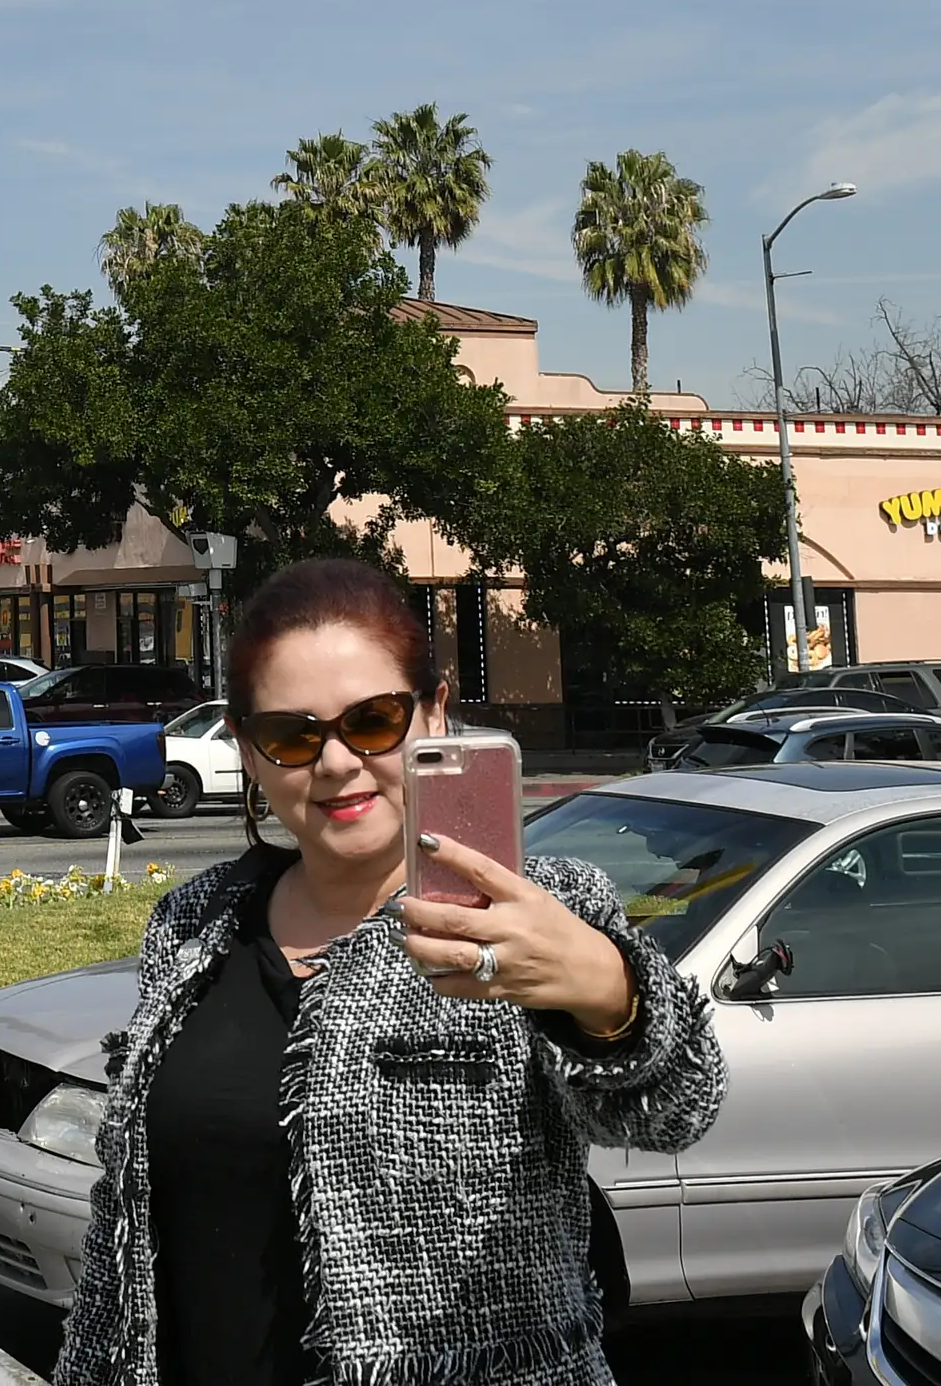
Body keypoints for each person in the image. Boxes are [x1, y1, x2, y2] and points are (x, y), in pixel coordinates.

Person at [54, 560, 725, 1386]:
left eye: (372, 721)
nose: (336, 763)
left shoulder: (535, 909)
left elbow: (678, 1111)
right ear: (252, 754)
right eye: (294, 736)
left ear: (434, 714)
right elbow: (128, 1233)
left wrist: (607, 992)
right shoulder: (195, 922)